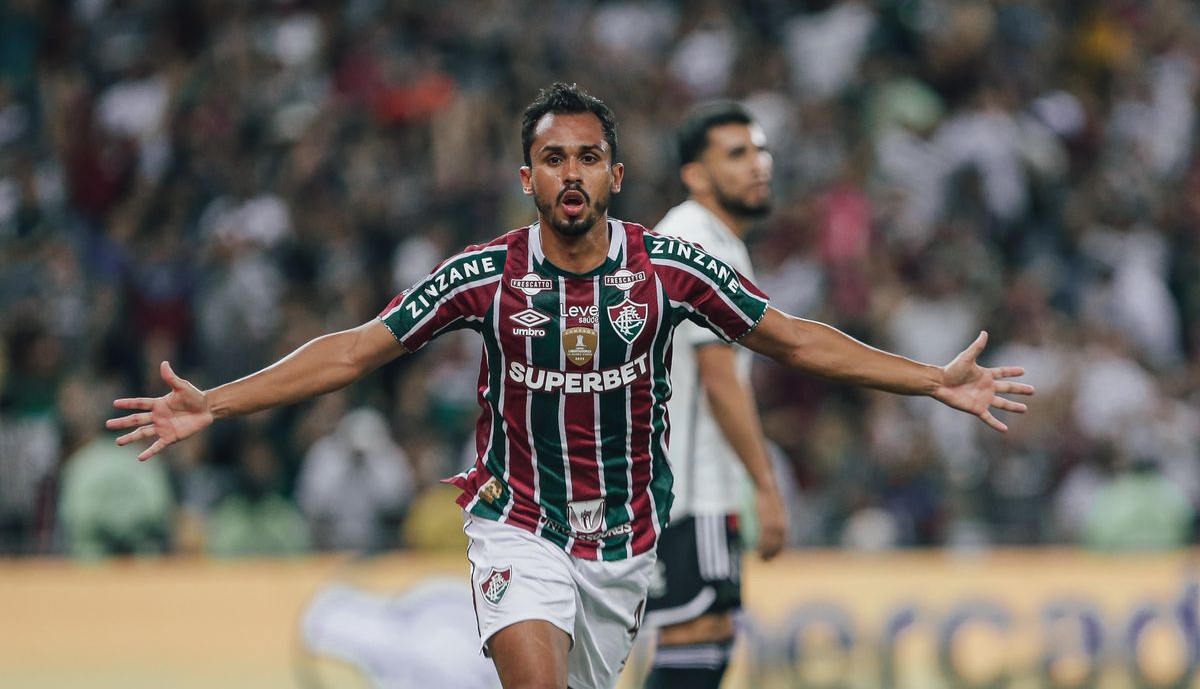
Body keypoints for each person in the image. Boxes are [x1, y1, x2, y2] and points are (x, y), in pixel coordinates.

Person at [108, 83, 1034, 689]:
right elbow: (356, 349)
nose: (572, 173)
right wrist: (217, 400)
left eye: (588, 157)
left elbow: (791, 340)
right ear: (527, 179)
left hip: (625, 546)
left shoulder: (670, 269)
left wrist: (929, 382)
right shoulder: (483, 275)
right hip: (517, 525)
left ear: (616, 175)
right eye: (554, 159)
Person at [643, 102, 785, 688]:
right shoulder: (693, 242)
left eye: (759, 150)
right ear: (695, 174)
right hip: (689, 488)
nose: (758, 165)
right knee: (695, 640)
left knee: (708, 640)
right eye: (736, 154)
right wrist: (766, 487)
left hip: (691, 485)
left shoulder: (715, 239)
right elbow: (718, 377)